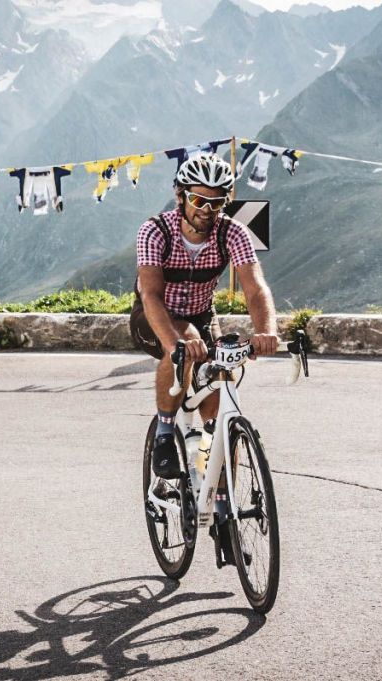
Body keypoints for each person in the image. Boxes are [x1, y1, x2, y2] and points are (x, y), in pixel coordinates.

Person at [130, 153, 279, 478]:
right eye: (198, 200)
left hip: (201, 314)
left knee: (218, 400)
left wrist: (266, 331)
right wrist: (174, 344)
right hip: (154, 315)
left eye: (217, 202)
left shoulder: (232, 232)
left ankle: (218, 495)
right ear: (180, 195)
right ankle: (165, 434)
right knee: (186, 342)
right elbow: (151, 295)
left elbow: (255, 288)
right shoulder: (155, 231)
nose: (207, 210)